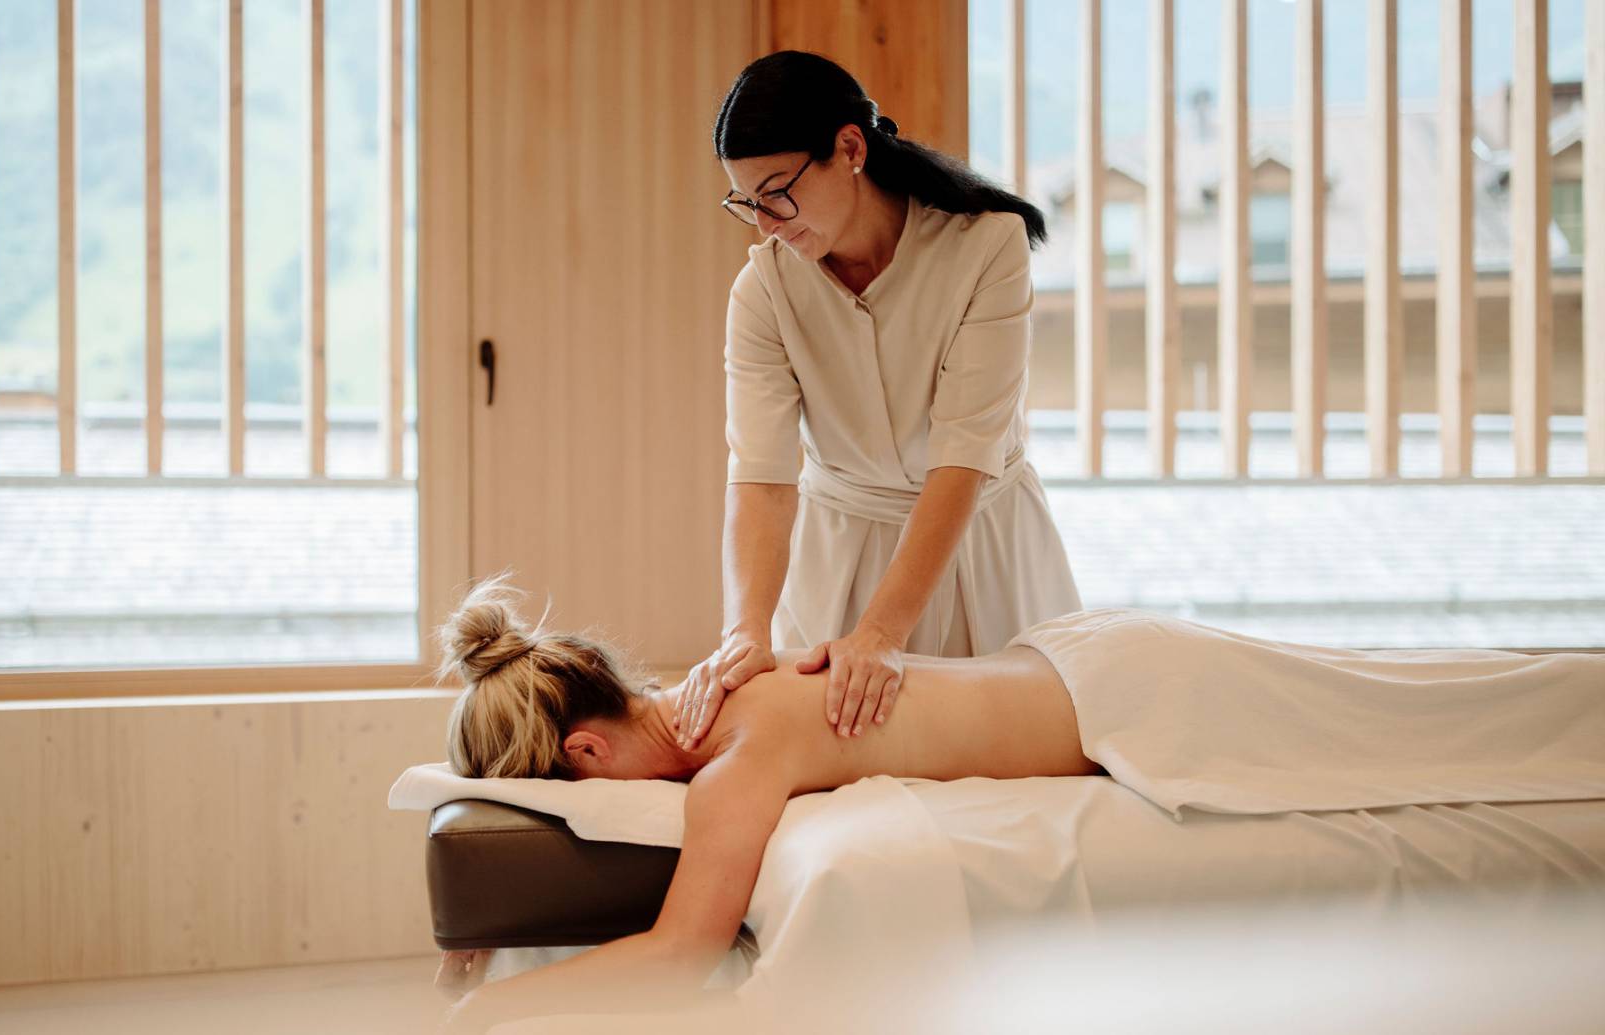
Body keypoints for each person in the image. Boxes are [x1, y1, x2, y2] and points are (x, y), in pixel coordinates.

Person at [432, 577, 1605, 1032]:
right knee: (1420, 701)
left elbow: (682, 952)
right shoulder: (726, 686)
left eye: (564, 797)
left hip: (1139, 701)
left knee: (1431, 721)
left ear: (585, 750)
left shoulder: (738, 757)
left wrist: (486, 1014)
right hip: (1094, 663)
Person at [680, 51, 1080, 752]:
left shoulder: (987, 247)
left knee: (1022, 762)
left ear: (850, 149)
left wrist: (884, 631)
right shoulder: (764, 292)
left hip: (982, 541)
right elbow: (762, 477)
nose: (765, 224)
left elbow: (963, 457)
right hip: (840, 555)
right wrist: (744, 630)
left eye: (776, 193)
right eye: (746, 202)